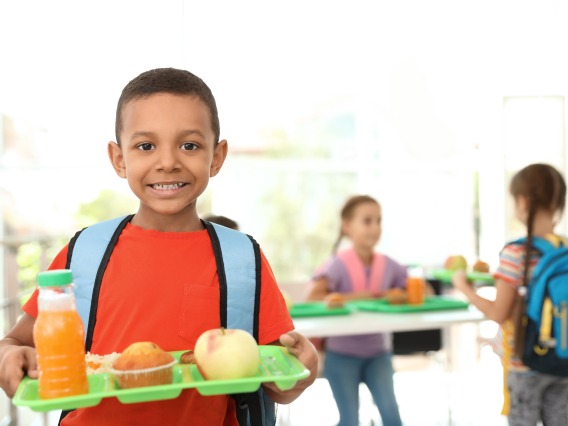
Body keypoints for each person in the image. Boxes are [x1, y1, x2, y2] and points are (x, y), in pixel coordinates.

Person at [0, 67, 317, 425]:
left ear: (216, 156)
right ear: (120, 158)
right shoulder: (84, 253)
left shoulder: (242, 261)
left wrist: (300, 375)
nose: (167, 163)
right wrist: (9, 355)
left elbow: (274, 379)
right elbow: (15, 341)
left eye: (190, 145)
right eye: (146, 146)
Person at [452, 163, 568, 426]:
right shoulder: (565, 250)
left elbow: (497, 312)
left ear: (523, 202)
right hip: (563, 360)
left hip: (524, 364)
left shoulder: (515, 253)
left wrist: (464, 287)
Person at [306, 195, 404, 426]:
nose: (375, 228)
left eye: (379, 221)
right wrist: (373, 295)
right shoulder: (337, 264)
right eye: (367, 221)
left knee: (392, 418)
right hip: (342, 356)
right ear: (347, 226)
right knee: (349, 420)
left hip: (379, 353)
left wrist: (402, 295)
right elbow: (313, 298)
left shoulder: (388, 264)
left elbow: (422, 290)